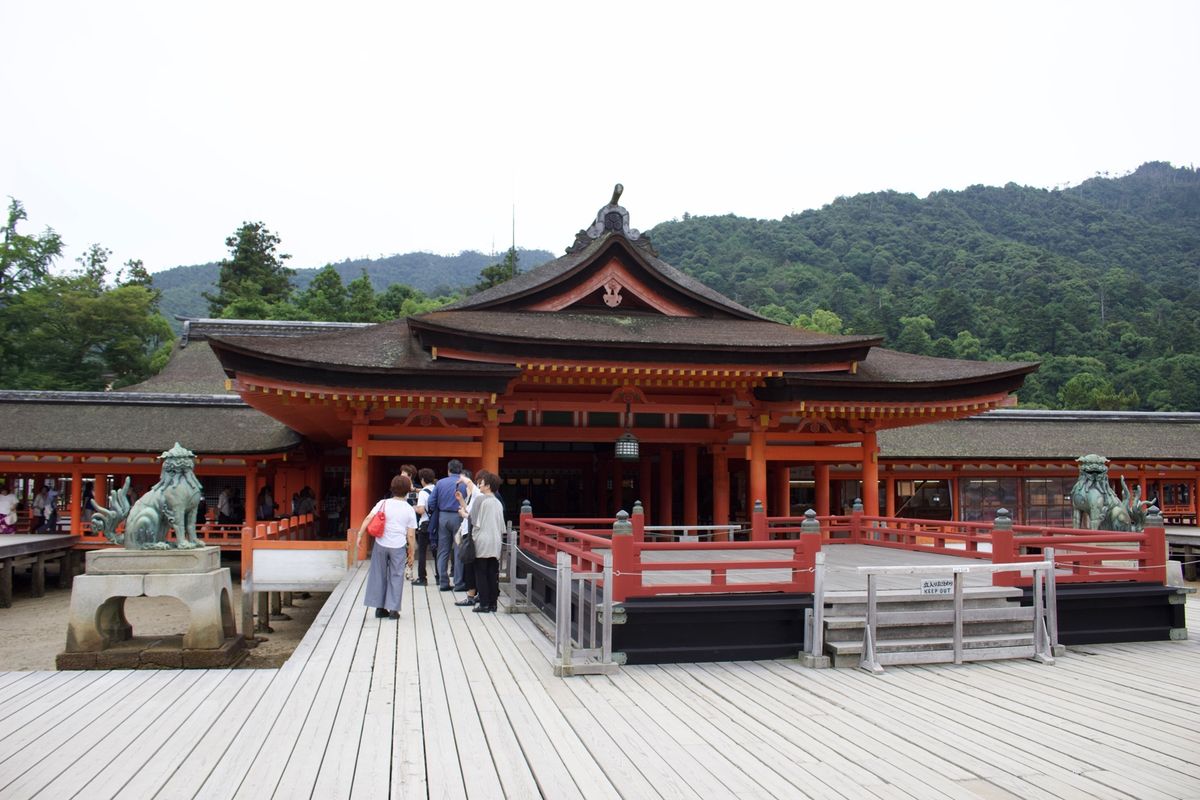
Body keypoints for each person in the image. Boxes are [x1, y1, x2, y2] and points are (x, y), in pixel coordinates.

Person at [357, 474, 416, 619]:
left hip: (381, 544)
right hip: (398, 545)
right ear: (408, 490)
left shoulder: (383, 503)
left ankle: (379, 608)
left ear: (392, 488)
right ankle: (394, 610)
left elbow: (369, 518)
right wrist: (411, 553)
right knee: (396, 576)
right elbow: (410, 535)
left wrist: (359, 534)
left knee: (378, 575)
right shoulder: (409, 509)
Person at [466, 470, 505, 613]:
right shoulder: (498, 503)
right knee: (492, 573)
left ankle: (483, 604)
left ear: (487, 485)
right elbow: (502, 525)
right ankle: (493, 604)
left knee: (481, 572)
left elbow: (473, 520)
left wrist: (464, 513)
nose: (479, 485)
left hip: (482, 540)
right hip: (495, 540)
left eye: (481, 482)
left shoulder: (480, 500)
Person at [428, 459, 468, 592]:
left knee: (443, 550)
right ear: (460, 470)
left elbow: (431, 502)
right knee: (458, 549)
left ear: (448, 470)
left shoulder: (440, 483)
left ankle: (443, 582)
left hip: (443, 517)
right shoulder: (464, 484)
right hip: (459, 517)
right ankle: (458, 582)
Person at [452, 470, 480, 607]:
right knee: (468, 564)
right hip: (466, 532)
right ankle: (472, 593)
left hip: (470, 533)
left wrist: (462, 478)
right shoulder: (472, 497)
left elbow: (470, 484)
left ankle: (471, 595)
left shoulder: (477, 494)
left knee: (469, 565)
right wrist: (461, 500)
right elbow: (468, 510)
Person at [412, 468, 436, 586]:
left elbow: (421, 510)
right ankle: (439, 577)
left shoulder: (423, 493)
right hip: (435, 524)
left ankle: (422, 578)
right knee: (437, 552)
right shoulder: (436, 489)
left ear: (422, 479)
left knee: (422, 552)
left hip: (425, 524)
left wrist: (414, 508)